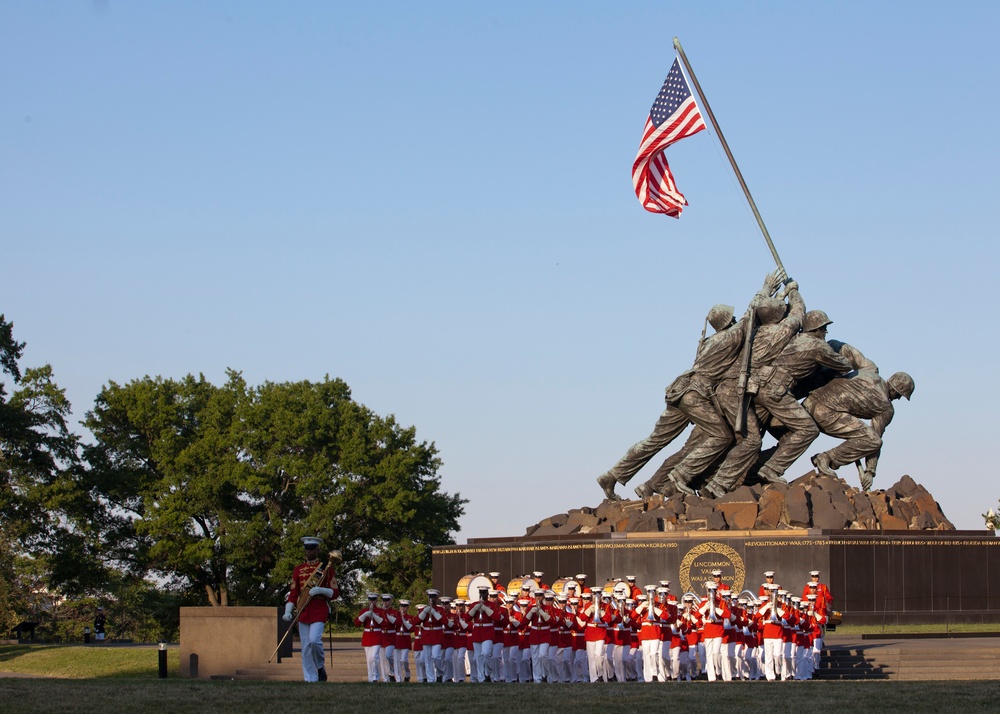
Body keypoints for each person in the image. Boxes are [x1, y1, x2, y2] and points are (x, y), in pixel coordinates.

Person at [599, 270, 786, 501]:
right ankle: (680, 475)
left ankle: (612, 475)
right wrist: (767, 288)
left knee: (654, 441)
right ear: (729, 322)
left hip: (681, 391)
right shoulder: (729, 338)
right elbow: (751, 315)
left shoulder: (709, 341)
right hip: (695, 395)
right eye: (733, 318)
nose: (737, 320)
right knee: (722, 436)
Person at [805, 341, 914, 491]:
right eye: (900, 395)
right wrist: (870, 471)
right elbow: (874, 440)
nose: (898, 398)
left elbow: (844, 348)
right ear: (896, 391)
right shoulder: (885, 407)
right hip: (826, 412)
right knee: (873, 440)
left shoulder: (869, 370)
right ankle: (827, 458)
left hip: (809, 402)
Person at [285, 536, 340, 683]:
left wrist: (321, 590)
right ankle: (310, 678)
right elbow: (294, 593)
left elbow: (335, 593)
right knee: (305, 648)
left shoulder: (326, 568)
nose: (309, 552)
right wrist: (288, 611)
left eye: (312, 549)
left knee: (314, 640)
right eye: (307, 549)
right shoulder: (298, 570)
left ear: (317, 550)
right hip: (303, 611)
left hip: (318, 609)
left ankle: (320, 666)